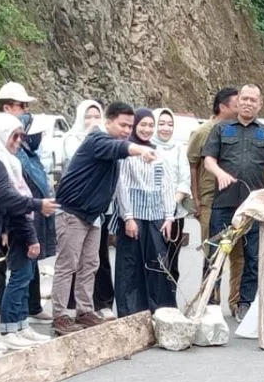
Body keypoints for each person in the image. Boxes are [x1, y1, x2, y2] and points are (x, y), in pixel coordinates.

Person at [52, 101, 157, 335]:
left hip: (93, 214)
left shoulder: (114, 143)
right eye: (122, 125)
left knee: (90, 265)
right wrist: (140, 150)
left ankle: (84, 310)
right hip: (72, 211)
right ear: (107, 121)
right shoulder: (97, 140)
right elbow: (118, 149)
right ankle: (59, 315)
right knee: (67, 265)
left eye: (130, 126)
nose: (126, 130)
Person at [0, 114, 58, 350]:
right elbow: (6, 197)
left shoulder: (4, 160)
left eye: (21, 136)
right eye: (14, 136)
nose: (18, 141)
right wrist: (38, 205)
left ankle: (7, 330)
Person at [203, 84, 264, 321]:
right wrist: (219, 173)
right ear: (238, 102)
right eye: (245, 98)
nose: (248, 103)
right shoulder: (221, 129)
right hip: (224, 202)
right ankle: (211, 301)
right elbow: (208, 160)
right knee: (215, 252)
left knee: (253, 256)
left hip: (254, 207)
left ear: (260, 104)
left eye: (253, 100)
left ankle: (244, 303)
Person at [0, 81, 56, 323]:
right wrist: (5, 226)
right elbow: (4, 189)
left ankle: (32, 306)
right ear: (8, 107)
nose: (26, 111)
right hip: (8, 214)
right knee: (5, 263)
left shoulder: (22, 143)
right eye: (22, 106)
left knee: (30, 259)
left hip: (27, 210)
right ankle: (2, 313)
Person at [114, 108, 178, 315]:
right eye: (143, 124)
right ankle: (131, 312)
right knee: (130, 266)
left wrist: (169, 216)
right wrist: (128, 217)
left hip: (156, 215)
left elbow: (167, 186)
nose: (147, 129)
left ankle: (160, 310)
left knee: (158, 263)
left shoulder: (159, 153)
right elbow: (121, 185)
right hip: (134, 216)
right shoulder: (127, 152)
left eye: (151, 125)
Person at [188, 87, 244, 313]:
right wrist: (197, 200)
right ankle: (210, 300)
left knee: (238, 253)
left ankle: (237, 302)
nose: (241, 108)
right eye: (236, 104)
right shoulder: (203, 131)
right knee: (213, 252)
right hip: (210, 200)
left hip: (236, 200)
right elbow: (193, 166)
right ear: (223, 107)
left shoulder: (237, 130)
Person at [59, 99, 115, 318]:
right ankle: (63, 311)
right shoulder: (72, 139)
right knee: (69, 261)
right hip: (75, 209)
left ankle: (91, 306)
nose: (93, 121)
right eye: (88, 116)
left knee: (94, 260)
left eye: (96, 116)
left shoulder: (108, 141)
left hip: (99, 210)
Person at [155, 108, 193, 287]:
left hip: (175, 213)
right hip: (152, 212)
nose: (165, 128)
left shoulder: (178, 148)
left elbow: (184, 180)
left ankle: (170, 299)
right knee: (155, 258)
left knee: (172, 258)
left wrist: (172, 205)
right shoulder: (147, 147)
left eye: (170, 124)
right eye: (161, 123)